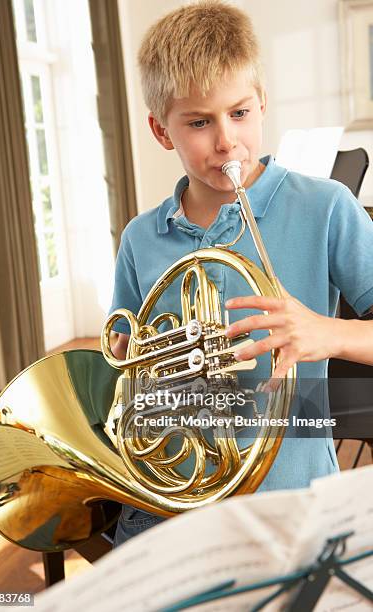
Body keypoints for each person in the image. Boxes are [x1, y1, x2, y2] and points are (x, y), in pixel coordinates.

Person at [108, 0, 373, 547]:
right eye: (200, 122)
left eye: (240, 113)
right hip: (178, 506)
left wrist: (328, 333)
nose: (226, 140)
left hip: (294, 499)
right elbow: (127, 372)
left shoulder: (326, 206)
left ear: (263, 104)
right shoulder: (138, 240)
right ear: (162, 131)